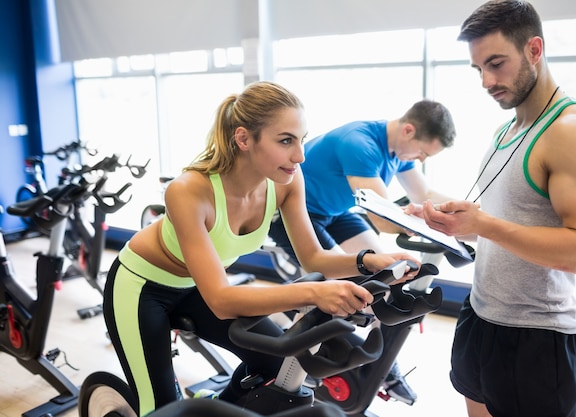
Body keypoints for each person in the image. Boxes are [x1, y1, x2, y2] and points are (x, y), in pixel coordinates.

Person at [102, 80, 420, 417]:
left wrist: (370, 261)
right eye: (285, 141)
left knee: (279, 364)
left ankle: (215, 409)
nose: (299, 156)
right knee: (162, 409)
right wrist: (314, 293)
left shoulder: (286, 180)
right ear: (243, 139)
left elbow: (314, 258)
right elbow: (222, 301)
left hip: (196, 286)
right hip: (141, 289)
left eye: (301, 140)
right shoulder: (189, 191)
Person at [406, 1, 576, 416]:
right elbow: (505, 223)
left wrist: (483, 222)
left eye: (496, 64)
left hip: (537, 336)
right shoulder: (506, 130)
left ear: (534, 50)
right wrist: (453, 224)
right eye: (478, 68)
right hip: (481, 314)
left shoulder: (573, 133)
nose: (486, 80)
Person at [268, 99, 456, 404]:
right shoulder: (361, 144)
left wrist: (469, 215)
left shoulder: (401, 151)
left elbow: (425, 195)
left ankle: (382, 365)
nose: (419, 160)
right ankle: (288, 333)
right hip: (297, 212)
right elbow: (383, 218)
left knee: (387, 277)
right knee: (345, 284)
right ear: (409, 130)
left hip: (336, 211)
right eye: (422, 152)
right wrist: (420, 219)